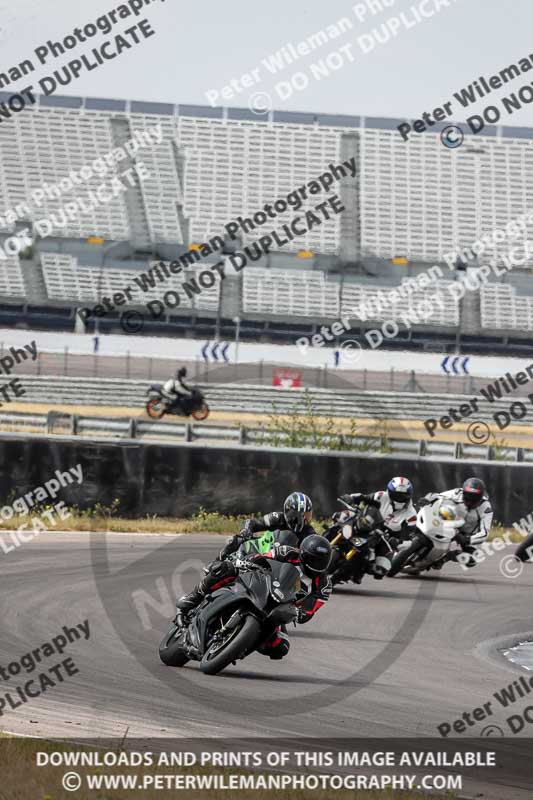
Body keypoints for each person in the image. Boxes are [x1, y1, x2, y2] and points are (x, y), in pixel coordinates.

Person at [176, 534, 332, 659]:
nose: (317, 565)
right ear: (304, 554)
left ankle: (240, 645)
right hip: (262, 583)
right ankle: (194, 597)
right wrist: (248, 561)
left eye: (322, 562)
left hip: (281, 606)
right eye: (313, 560)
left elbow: (311, 608)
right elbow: (263, 556)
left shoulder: (324, 585)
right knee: (225, 568)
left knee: (281, 647)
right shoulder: (288, 552)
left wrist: (301, 613)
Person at [420, 477, 493, 567]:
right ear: (463, 493)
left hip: (467, 534)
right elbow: (438, 496)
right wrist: (427, 499)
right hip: (450, 522)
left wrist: (468, 539)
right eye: (467, 498)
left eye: (474, 500)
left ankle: (447, 557)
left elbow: (485, 533)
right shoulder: (457, 493)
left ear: (481, 497)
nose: (470, 502)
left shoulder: (486, 507)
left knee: (472, 560)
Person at [219, 492, 315, 559]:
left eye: (308, 515)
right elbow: (252, 522)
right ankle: (219, 562)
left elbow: (316, 543)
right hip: (264, 551)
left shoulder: (308, 530)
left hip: (289, 563)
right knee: (236, 540)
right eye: (305, 515)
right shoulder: (277, 518)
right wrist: (246, 531)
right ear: (293, 514)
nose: (307, 519)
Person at [339, 476, 417, 539]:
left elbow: (407, 537)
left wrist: (396, 541)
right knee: (343, 516)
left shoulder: (412, 515)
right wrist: (352, 498)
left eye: (403, 496)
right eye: (396, 495)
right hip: (364, 525)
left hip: (381, 541)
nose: (399, 499)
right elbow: (365, 498)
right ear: (389, 493)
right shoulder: (381, 496)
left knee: (380, 558)